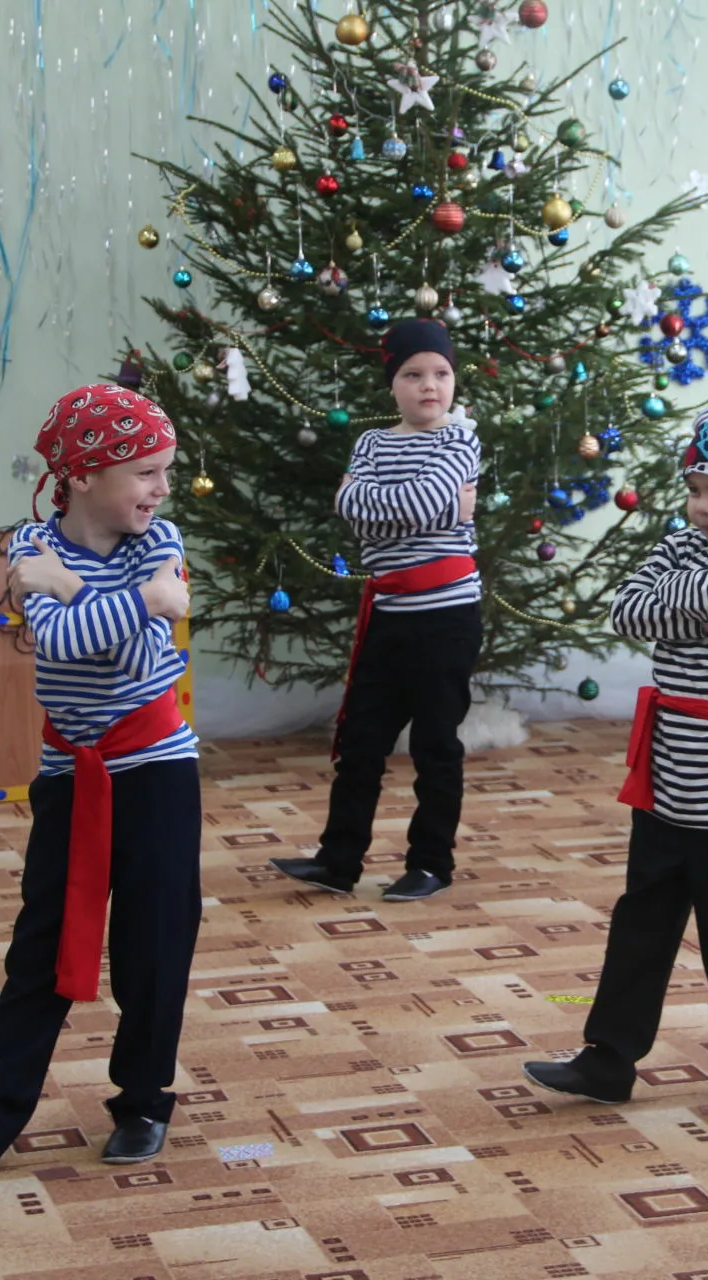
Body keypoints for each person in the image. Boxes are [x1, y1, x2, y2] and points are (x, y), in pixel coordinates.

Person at [0, 384, 199, 1172]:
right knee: (43, 947)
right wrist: (137, 602)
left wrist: (80, 591)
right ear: (85, 476)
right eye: (147, 472)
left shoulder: (158, 538)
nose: (162, 489)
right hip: (69, 775)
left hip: (157, 771)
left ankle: (143, 1103)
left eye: (165, 472)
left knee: (153, 946)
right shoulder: (29, 544)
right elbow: (60, 646)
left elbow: (125, 654)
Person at [522, 400, 708, 1118]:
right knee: (642, 923)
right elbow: (626, 609)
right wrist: (697, 610)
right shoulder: (679, 545)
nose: (704, 508)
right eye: (695, 491)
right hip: (665, 779)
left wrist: (676, 603)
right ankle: (608, 1059)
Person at [271, 319, 481, 903]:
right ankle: (339, 862)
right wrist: (435, 508)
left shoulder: (459, 440)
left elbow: (392, 502)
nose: (429, 386)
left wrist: (379, 501)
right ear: (393, 384)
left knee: (435, 744)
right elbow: (354, 507)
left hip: (446, 616)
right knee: (361, 741)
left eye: (440, 373)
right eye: (413, 374)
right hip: (388, 611)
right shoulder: (371, 443)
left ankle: (431, 864)